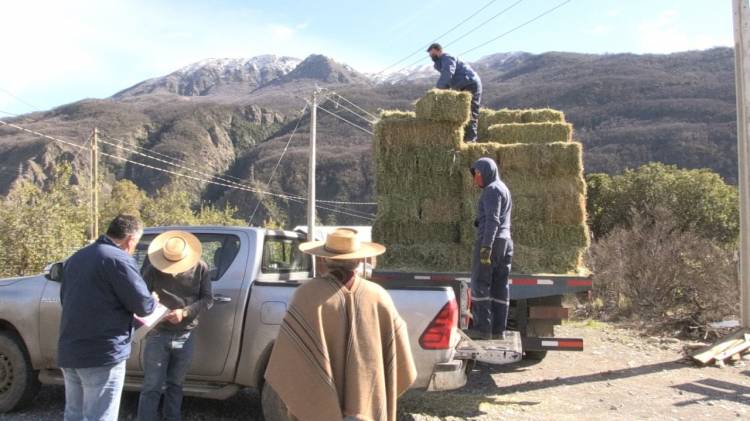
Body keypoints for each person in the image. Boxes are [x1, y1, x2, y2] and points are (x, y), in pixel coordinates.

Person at [264, 228, 417, 421]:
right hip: (368, 412)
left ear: (324, 260)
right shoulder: (379, 296)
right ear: (360, 260)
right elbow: (402, 361)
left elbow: (289, 362)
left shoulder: (307, 295)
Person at [58, 214, 158, 421]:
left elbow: (64, 299)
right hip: (102, 354)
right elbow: (143, 306)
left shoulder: (77, 257)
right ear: (130, 240)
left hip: (70, 350)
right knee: (100, 416)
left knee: (73, 415)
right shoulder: (118, 259)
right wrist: (153, 300)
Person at [137, 230, 213, 421]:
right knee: (151, 386)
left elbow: (207, 299)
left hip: (185, 334)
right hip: (157, 333)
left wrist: (184, 312)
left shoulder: (200, 267)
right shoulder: (152, 268)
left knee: (176, 385)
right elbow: (139, 297)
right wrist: (151, 303)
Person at [468, 157, 513, 340]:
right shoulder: (503, 188)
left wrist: (486, 246)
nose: (476, 178)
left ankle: (482, 329)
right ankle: (497, 330)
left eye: (478, 173)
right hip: (506, 242)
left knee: (480, 283)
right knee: (499, 286)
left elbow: (493, 220)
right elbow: (498, 217)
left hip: (491, 242)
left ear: (488, 172)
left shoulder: (491, 190)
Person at [427, 42, 483, 142]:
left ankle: (470, 141)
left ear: (439, 51)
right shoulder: (440, 63)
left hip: (470, 83)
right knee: (460, 113)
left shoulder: (447, 57)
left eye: (432, 53)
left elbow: (447, 74)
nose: (431, 56)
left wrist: (437, 92)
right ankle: (462, 140)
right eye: (430, 55)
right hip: (462, 85)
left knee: (470, 112)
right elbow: (448, 79)